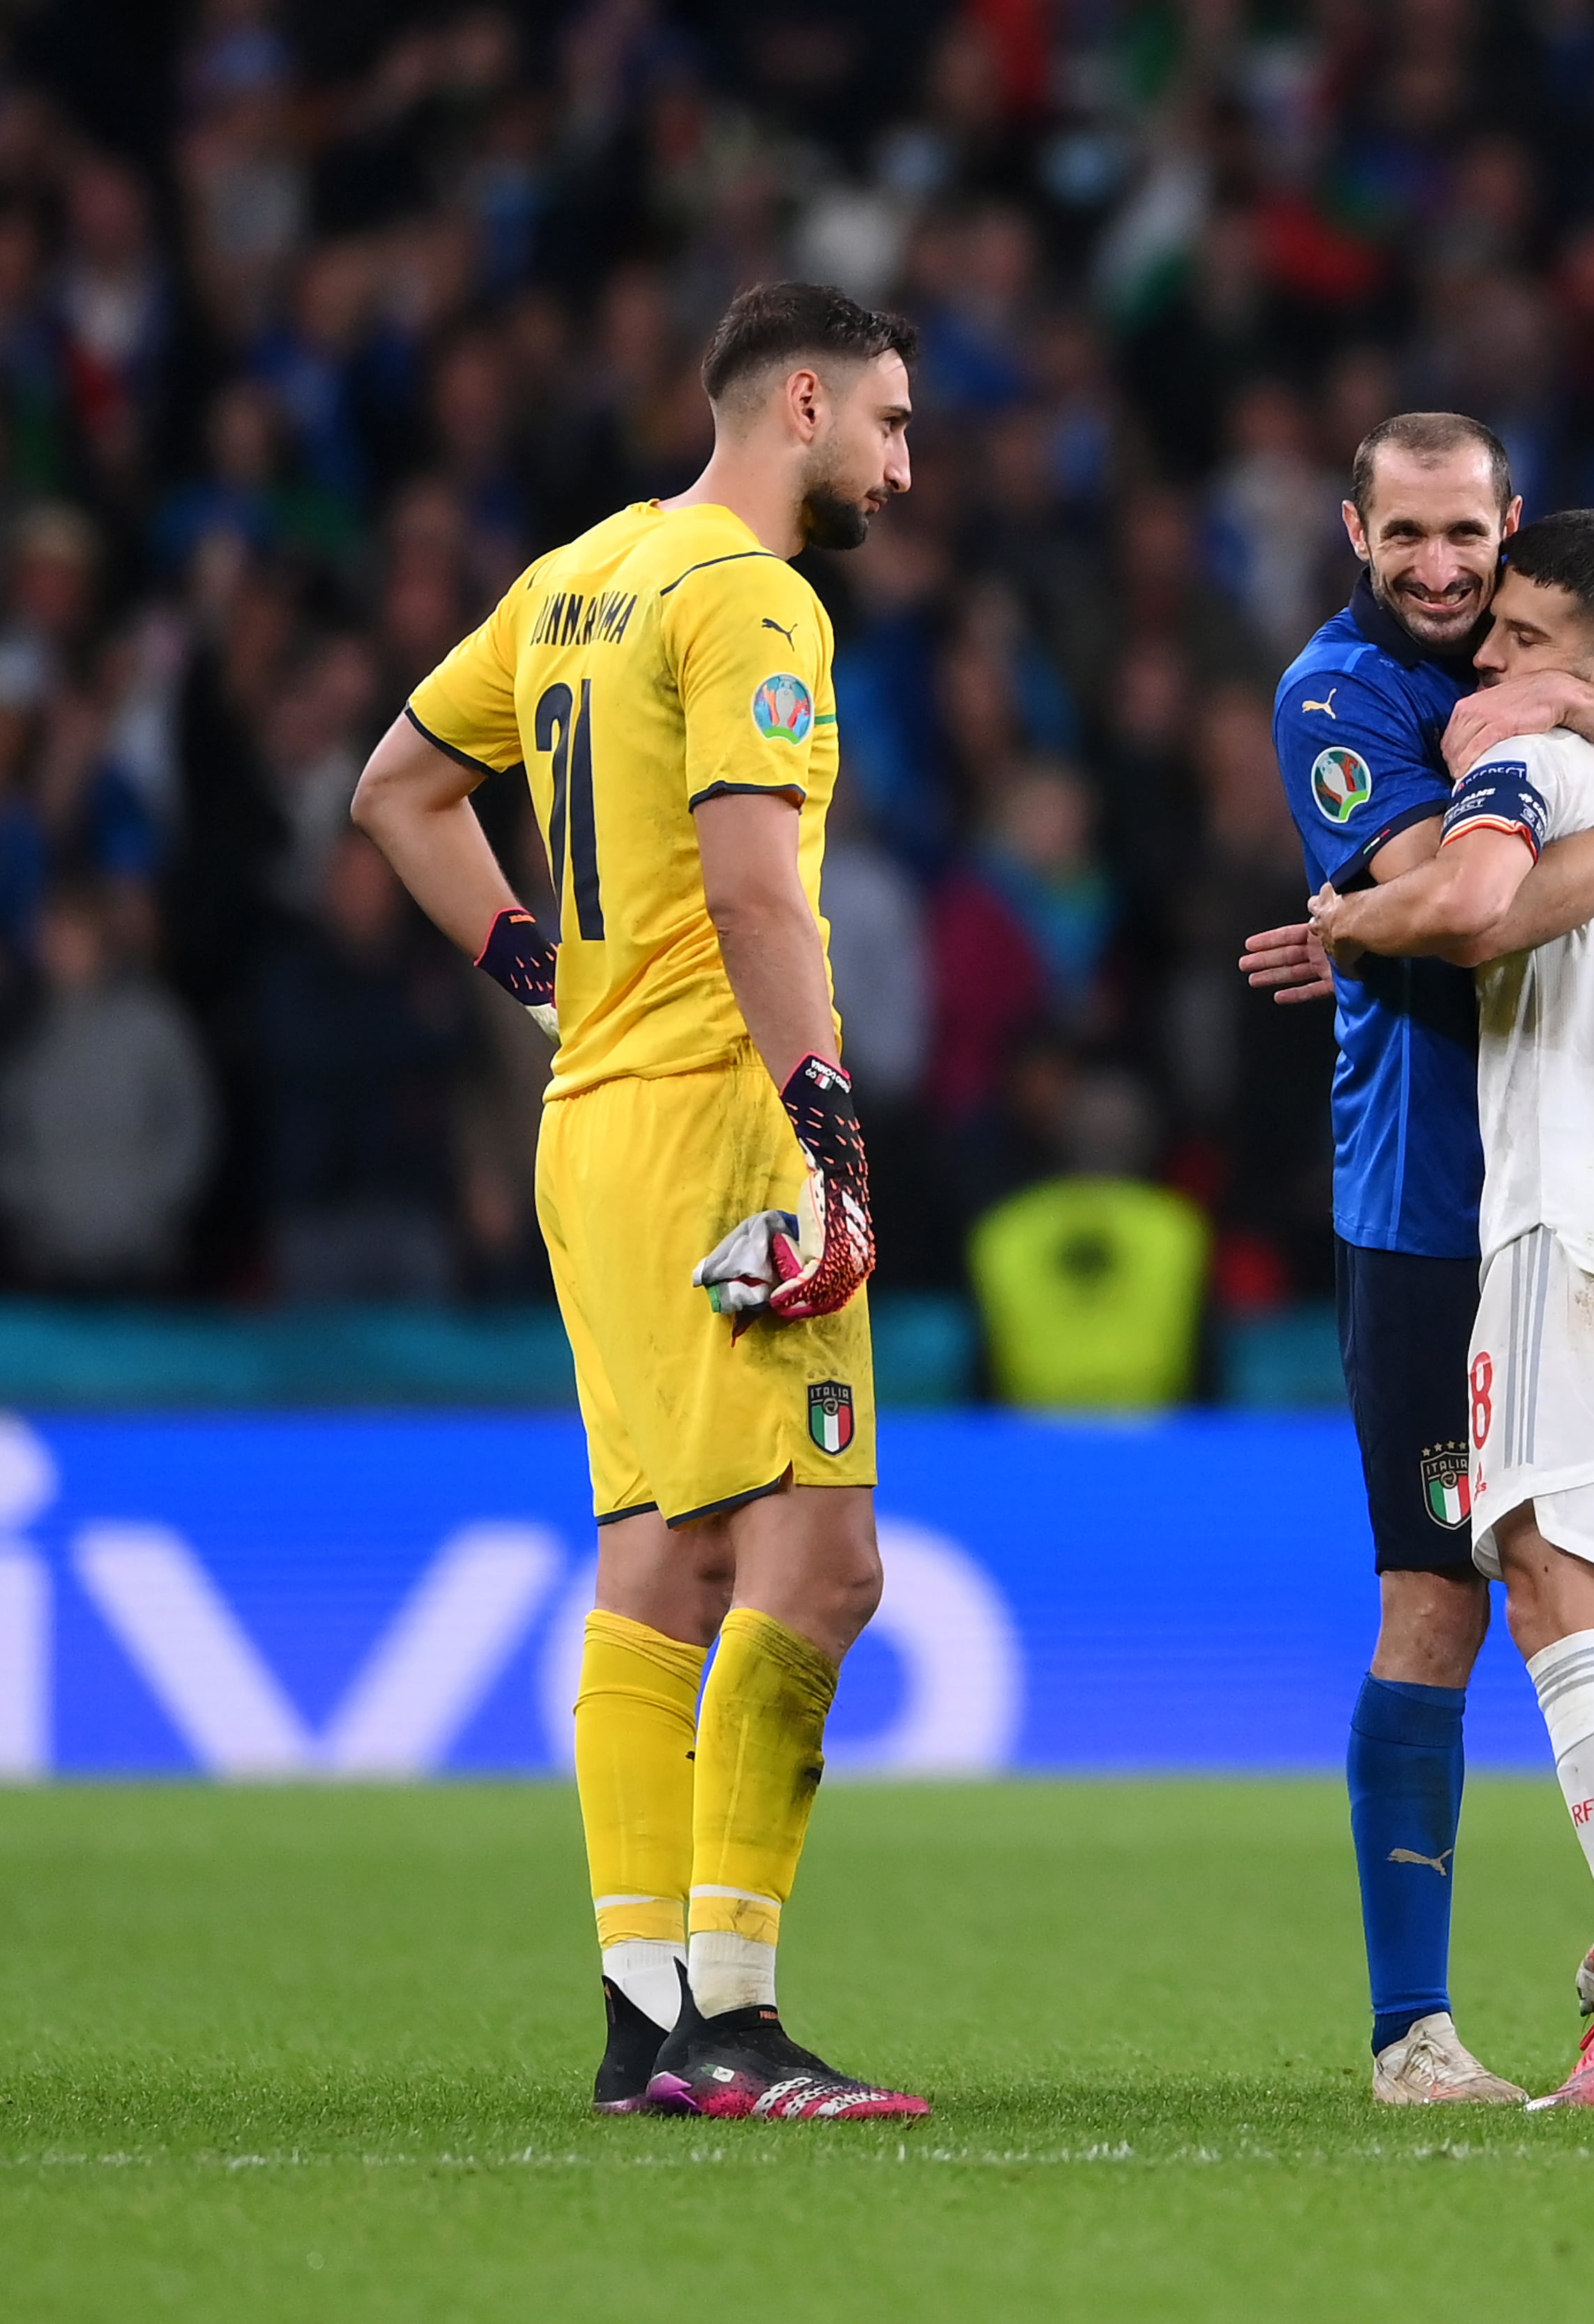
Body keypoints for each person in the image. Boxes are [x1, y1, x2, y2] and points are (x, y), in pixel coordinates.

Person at [351, 282, 927, 2119]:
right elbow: (760, 890)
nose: (906, 471)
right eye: (894, 427)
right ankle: (736, 2024)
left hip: (591, 1125)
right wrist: (827, 1120)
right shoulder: (758, 596)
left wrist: (544, 976)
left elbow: (397, 789)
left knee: (661, 1557)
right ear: (807, 404)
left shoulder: (579, 573)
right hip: (723, 1121)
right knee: (821, 1564)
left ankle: (641, 2013)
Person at [1236, 415, 1594, 2106]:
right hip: (1431, 1201)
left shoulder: (1542, 676)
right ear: (1354, 528)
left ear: (1509, 523)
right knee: (1440, 1603)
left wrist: (1593, 740)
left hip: (1566, 1208)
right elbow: (1447, 879)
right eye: (1404, 534)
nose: (1439, 571)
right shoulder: (1341, 691)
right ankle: (1422, 2027)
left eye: (1463, 532)